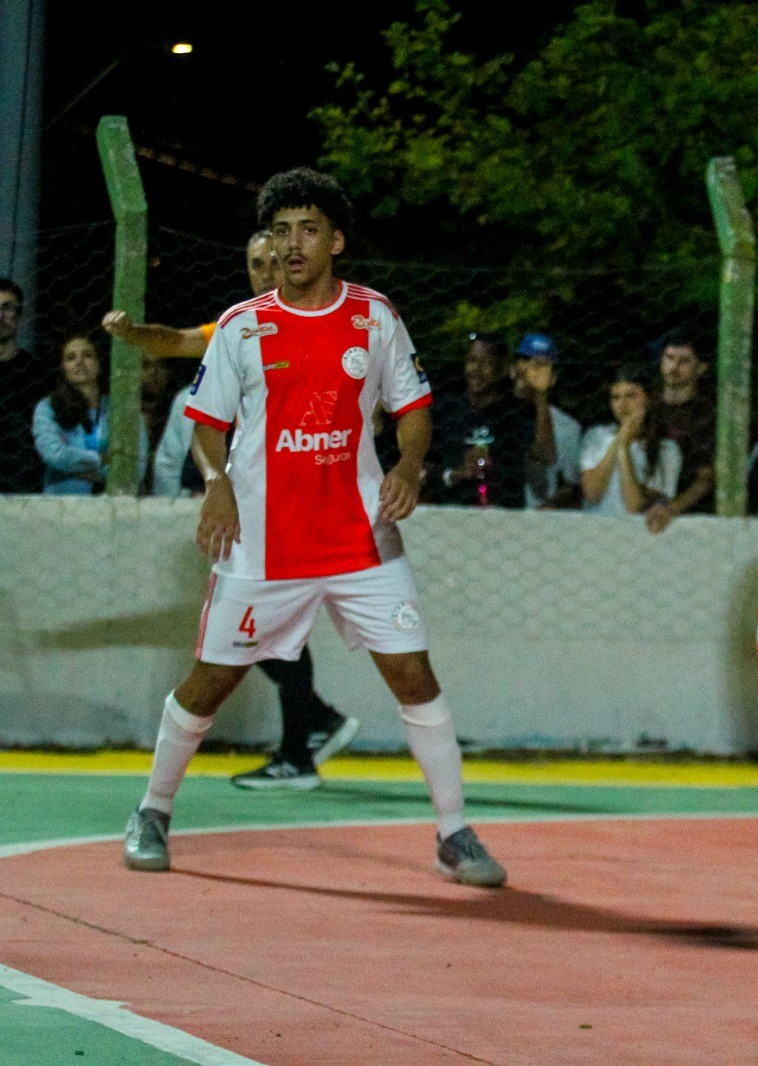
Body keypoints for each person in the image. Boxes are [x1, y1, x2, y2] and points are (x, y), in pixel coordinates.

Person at [120, 167, 506, 887]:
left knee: (415, 676)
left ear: (335, 241)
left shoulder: (375, 317)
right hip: (264, 544)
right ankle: (152, 810)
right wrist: (217, 483)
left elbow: (412, 406)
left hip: (361, 541)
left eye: (306, 230)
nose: (291, 245)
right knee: (210, 683)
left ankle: (454, 834)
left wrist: (409, 465)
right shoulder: (242, 327)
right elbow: (207, 425)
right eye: (280, 231)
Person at [106, 231, 358, 792]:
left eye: (273, 260)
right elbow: (172, 341)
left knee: (270, 624)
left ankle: (301, 746)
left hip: (299, 495)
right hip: (251, 500)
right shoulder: (238, 326)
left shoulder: (323, 320)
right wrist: (131, 334)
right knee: (259, 625)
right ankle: (312, 725)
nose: (264, 271)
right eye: (253, 263)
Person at [32, 333, 148, 494]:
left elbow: (137, 466)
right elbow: (54, 455)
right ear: (63, 367)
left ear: (99, 362)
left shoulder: (122, 408)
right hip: (62, 505)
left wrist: (82, 471)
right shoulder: (47, 408)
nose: (79, 362)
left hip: (113, 506)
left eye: (87, 355)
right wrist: (101, 460)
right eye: (71, 358)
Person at [428, 333, 526, 508]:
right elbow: (426, 467)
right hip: (449, 516)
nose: (476, 369)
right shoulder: (446, 411)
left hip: (504, 520)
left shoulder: (515, 415)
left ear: (502, 368)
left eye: (486, 362)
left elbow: (528, 468)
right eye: (472, 360)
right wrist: (458, 473)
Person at [580, 363, 682, 516]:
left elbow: (635, 507)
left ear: (648, 399)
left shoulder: (667, 449)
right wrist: (619, 439)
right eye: (616, 397)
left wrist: (624, 448)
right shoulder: (596, 436)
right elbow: (592, 494)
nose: (622, 405)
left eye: (631, 395)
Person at [646, 330, 716, 532]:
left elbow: (706, 477)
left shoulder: (706, 416)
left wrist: (671, 508)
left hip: (687, 520)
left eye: (684, 361)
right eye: (669, 358)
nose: (673, 367)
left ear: (701, 368)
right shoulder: (646, 406)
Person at [510, 332, 582, 509]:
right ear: (513, 369)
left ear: (553, 379)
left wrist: (551, 505)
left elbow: (572, 486)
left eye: (541, 365)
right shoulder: (495, 411)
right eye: (526, 361)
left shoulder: (568, 427)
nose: (531, 371)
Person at [0, 279, 51, 493]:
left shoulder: (37, 372)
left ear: (19, 317)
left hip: (22, 485)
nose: (0, 316)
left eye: (7, 308)